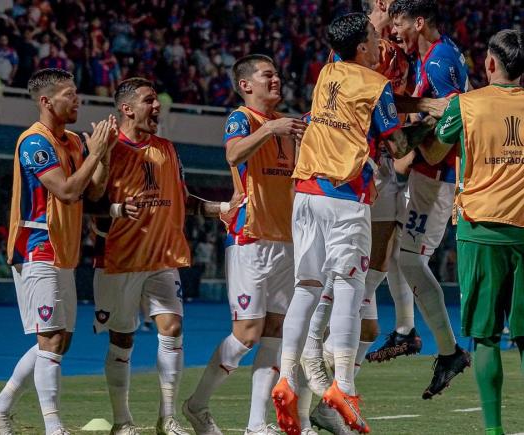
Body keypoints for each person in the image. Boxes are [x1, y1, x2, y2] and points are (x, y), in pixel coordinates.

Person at [271, 12, 436, 435]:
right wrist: (431, 123)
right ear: (362, 47)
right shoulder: (374, 84)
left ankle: (287, 377)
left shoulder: (328, 72)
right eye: (374, 39)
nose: (382, 45)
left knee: (306, 288)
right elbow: (397, 146)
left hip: (306, 191)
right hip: (345, 198)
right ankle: (343, 387)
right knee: (349, 287)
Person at [434, 29, 524, 434]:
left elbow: (439, 141)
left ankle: (493, 430)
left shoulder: (466, 105)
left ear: (490, 64)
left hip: (480, 229)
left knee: (485, 336)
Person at [92, 77, 234, 435]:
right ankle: (122, 421)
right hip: (118, 259)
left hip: (162, 256)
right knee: (122, 338)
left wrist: (223, 207)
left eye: (157, 101)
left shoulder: (168, 148)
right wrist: (106, 175)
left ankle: (167, 417)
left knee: (172, 328)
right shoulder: (107, 147)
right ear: (126, 108)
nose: (157, 107)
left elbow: (183, 200)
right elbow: (89, 201)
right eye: (148, 101)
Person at [0, 68, 116, 435]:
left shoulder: (72, 141)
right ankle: (54, 428)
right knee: (51, 338)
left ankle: (0, 407)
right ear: (46, 101)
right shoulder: (34, 143)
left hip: (65, 249)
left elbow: (94, 193)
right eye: (69, 95)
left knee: (60, 341)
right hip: (37, 245)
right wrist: (96, 152)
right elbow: (67, 191)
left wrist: (102, 156)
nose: (77, 101)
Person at [182, 54, 307, 435]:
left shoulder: (289, 125)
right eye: (267, 75)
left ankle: (257, 424)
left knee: (274, 331)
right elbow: (234, 154)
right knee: (247, 334)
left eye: (277, 74)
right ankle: (197, 404)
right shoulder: (243, 118)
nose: (276, 80)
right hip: (249, 236)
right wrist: (272, 131)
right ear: (246, 85)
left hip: (285, 238)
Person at [385, 0, 471, 399]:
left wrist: (408, 147)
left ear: (419, 23)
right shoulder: (434, 55)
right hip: (428, 174)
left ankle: (450, 350)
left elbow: (452, 122)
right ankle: (407, 330)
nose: (393, 30)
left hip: (437, 178)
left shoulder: (438, 62)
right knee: (396, 254)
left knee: (408, 259)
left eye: (399, 23)